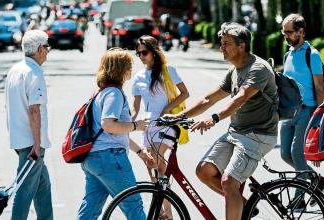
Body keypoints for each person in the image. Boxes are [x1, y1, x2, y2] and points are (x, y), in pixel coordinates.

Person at [168, 22, 278, 219]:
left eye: (227, 44)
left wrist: (214, 118)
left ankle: (235, 200)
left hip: (258, 135)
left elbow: (240, 98)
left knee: (229, 182)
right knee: (204, 171)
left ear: (242, 46)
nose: (222, 48)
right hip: (236, 132)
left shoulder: (258, 68)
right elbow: (209, 98)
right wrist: (179, 117)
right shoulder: (235, 70)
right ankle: (244, 205)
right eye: (222, 43)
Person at [76, 48, 153, 220]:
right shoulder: (114, 94)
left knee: (90, 208)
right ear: (120, 69)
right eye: (128, 66)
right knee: (133, 205)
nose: (130, 70)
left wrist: (140, 152)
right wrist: (136, 125)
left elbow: (115, 132)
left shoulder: (100, 92)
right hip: (110, 158)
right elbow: (109, 125)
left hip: (93, 158)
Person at [131, 35, 189, 219]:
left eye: (145, 52)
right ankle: (165, 211)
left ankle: (168, 213)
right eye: (138, 53)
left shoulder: (167, 70)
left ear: (154, 51)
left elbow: (185, 93)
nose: (141, 56)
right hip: (148, 126)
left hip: (166, 124)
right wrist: (130, 122)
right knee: (152, 166)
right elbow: (136, 105)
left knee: (158, 164)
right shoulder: (138, 77)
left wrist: (167, 109)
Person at [280, 13, 324, 200]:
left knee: (297, 153)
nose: (285, 36)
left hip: (306, 110)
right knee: (285, 153)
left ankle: (299, 198)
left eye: (289, 32)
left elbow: (319, 87)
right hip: (288, 111)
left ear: (301, 32)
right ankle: (316, 180)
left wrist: (320, 116)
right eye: (283, 32)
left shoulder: (312, 55)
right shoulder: (288, 54)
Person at [5, 30, 53, 220]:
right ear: (40, 49)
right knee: (24, 191)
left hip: (19, 139)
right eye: (47, 48)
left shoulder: (15, 70)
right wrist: (36, 143)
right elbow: (34, 110)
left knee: (43, 188)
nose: (48, 52)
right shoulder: (34, 73)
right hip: (31, 143)